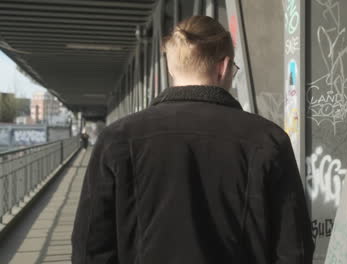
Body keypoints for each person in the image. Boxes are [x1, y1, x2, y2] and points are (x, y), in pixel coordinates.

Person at [72, 15, 313, 264]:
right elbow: (294, 248)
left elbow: (90, 247)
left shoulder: (116, 140)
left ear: (170, 68)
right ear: (224, 67)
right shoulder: (269, 141)